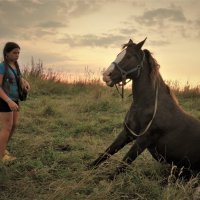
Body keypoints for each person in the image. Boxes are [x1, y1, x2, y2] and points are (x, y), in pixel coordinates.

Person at [0, 42, 30, 161]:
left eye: (18, 53)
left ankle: (2, 148)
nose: (17, 55)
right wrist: (8, 101)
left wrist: (25, 83)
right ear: (7, 53)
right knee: (7, 127)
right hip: (4, 100)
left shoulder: (16, 65)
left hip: (15, 99)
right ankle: (1, 156)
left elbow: (19, 78)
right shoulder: (2, 66)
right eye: (14, 52)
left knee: (14, 125)